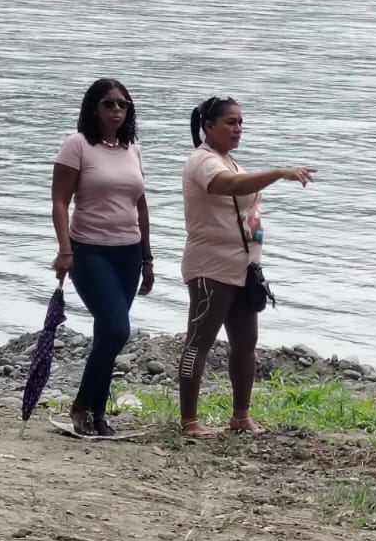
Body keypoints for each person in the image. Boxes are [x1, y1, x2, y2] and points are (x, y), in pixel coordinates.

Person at [177, 95, 316, 439]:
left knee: (246, 342)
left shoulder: (229, 161)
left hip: (242, 268)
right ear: (208, 127)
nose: (238, 128)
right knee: (199, 341)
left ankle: (241, 416)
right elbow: (230, 186)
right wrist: (278, 173)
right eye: (230, 122)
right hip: (211, 267)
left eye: (240, 122)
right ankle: (189, 420)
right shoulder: (203, 161)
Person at [51, 78, 154, 438]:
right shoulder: (77, 145)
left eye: (123, 104)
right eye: (109, 103)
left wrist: (147, 259)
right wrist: (65, 250)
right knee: (116, 329)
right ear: (93, 108)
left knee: (106, 335)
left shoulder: (132, 148)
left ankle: (98, 413)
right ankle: (81, 406)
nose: (117, 110)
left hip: (128, 253)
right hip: (89, 251)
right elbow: (60, 202)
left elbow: (141, 206)